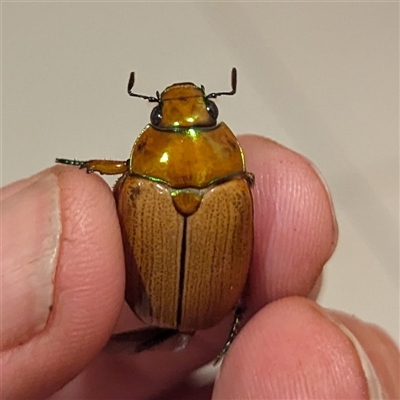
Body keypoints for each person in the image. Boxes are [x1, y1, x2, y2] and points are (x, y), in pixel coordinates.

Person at [1, 136, 398, 399]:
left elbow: (117, 169)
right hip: (210, 306)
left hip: (157, 303)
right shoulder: (236, 188)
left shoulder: (137, 181)